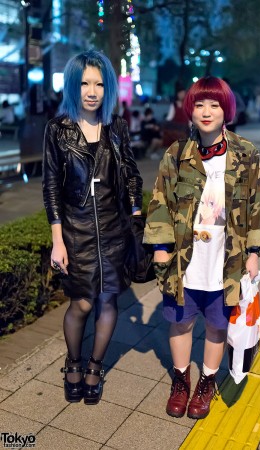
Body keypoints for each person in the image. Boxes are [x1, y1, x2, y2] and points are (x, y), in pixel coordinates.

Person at [143, 76, 260, 419]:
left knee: (217, 325)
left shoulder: (246, 154)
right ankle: (181, 380)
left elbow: (256, 206)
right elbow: (159, 202)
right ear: (190, 110)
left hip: (226, 260)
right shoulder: (177, 153)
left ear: (226, 109)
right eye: (199, 104)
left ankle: (207, 382)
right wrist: (160, 247)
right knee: (180, 322)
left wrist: (254, 253)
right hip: (185, 260)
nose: (207, 111)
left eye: (214, 104)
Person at [42, 50, 143, 405]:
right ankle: (73, 361)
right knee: (81, 304)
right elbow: (51, 186)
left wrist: (135, 212)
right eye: (85, 82)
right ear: (73, 85)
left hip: (114, 231)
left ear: (108, 87)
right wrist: (58, 241)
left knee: (108, 300)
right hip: (76, 231)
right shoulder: (58, 130)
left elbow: (131, 174)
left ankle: (95, 367)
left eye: (99, 83)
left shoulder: (116, 126)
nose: (92, 90)